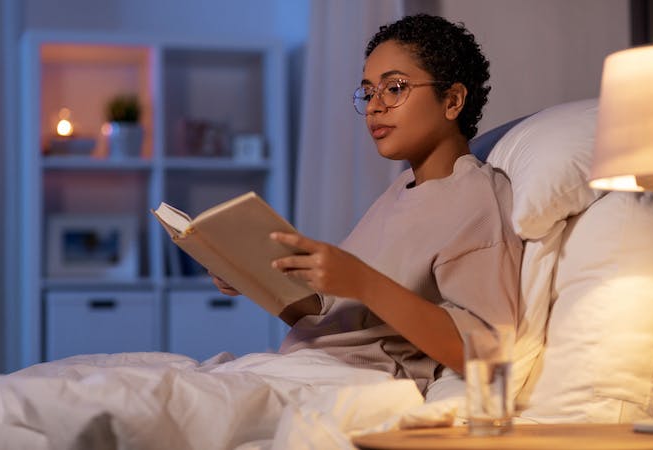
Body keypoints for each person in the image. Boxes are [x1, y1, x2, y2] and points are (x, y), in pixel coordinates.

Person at [212, 13, 522, 394]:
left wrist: (362, 281)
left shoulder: (475, 200)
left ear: (453, 100)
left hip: (348, 387)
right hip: (298, 367)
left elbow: (487, 352)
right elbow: (335, 319)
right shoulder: (402, 188)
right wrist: (255, 277)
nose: (375, 106)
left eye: (394, 88)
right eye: (368, 92)